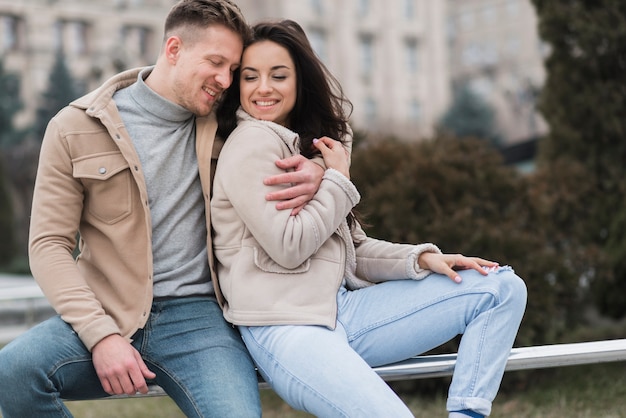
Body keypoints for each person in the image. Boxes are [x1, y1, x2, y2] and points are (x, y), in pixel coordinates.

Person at [0, 2, 328, 417]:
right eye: (215, 63)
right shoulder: (75, 126)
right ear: (173, 49)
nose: (225, 80)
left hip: (200, 320)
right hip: (108, 311)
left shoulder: (232, 121)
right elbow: (48, 245)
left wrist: (319, 168)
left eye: (232, 68)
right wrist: (101, 337)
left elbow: (312, 125)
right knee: (12, 372)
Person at [211, 19, 528, 418]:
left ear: (300, 81)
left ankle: (467, 412)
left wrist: (425, 259)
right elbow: (289, 247)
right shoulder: (251, 144)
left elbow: (352, 251)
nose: (263, 88)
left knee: (500, 288)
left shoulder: (308, 149)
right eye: (250, 76)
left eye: (279, 75)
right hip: (286, 328)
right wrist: (337, 179)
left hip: (342, 312)